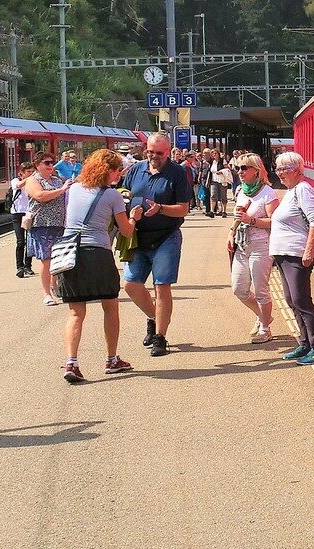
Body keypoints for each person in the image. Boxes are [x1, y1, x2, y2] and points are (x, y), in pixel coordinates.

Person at [55, 149, 138, 384]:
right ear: (107, 170)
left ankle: (71, 363)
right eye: (117, 170)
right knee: (110, 306)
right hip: (98, 253)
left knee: (75, 312)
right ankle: (112, 359)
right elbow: (126, 231)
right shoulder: (112, 195)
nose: (119, 175)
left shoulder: (73, 189)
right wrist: (134, 217)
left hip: (71, 255)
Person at [122, 133, 192, 357]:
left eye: (159, 153)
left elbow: (183, 209)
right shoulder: (135, 169)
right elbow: (123, 193)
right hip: (138, 236)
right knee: (131, 285)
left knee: (161, 286)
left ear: (168, 152)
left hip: (166, 237)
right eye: (150, 152)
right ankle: (154, 317)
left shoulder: (177, 173)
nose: (154, 156)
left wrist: (160, 208)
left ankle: (160, 337)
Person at [270, 151, 314, 365]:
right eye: (277, 169)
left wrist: (309, 250)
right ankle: (305, 343)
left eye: (283, 169)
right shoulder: (292, 191)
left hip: (296, 254)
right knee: (291, 300)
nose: (279, 173)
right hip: (284, 254)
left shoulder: (303, 189)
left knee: (302, 300)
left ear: (296, 170)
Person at [228, 156, 278, 342]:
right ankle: (263, 315)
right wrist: (231, 232)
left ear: (256, 170)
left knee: (261, 289)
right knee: (239, 289)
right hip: (242, 245)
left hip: (261, 246)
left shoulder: (268, 193)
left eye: (244, 168)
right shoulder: (241, 190)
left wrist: (252, 221)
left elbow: (274, 221)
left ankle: (265, 328)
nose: (239, 172)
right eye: (238, 168)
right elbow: (238, 216)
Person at [21, 153, 72, 306]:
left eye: (52, 163)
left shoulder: (56, 180)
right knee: (46, 260)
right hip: (42, 225)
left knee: (57, 258)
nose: (51, 165)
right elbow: (40, 195)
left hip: (59, 224)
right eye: (47, 163)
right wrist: (62, 190)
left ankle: (54, 285)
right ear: (37, 165)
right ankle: (46, 294)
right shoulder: (33, 180)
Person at [9, 163, 35, 278]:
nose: (31, 174)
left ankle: (28, 266)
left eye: (32, 172)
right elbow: (17, 186)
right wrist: (30, 179)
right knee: (20, 241)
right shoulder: (15, 181)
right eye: (28, 172)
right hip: (17, 214)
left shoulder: (35, 183)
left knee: (30, 241)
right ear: (22, 173)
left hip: (29, 214)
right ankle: (19, 267)